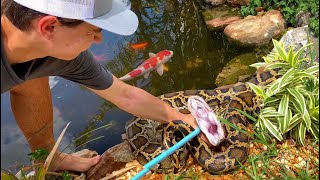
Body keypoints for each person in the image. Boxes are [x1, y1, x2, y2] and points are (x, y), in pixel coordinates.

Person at [1, 0, 209, 173]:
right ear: (49, 27)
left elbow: (126, 95)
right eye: (94, 30)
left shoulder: (62, 54)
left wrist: (181, 118)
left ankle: (48, 157)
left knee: (34, 76)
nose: (99, 39)